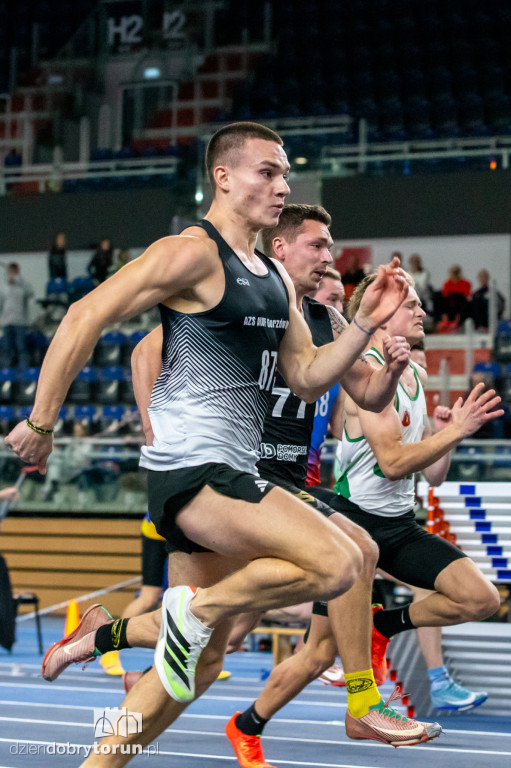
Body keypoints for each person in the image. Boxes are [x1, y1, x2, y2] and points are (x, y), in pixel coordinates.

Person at [5, 122, 409, 765]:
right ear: (223, 177)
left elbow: (306, 379)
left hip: (229, 475)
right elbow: (85, 315)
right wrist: (42, 422)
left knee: (200, 663)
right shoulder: (191, 253)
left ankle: (100, 751)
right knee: (342, 563)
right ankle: (190, 614)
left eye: (284, 175)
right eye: (267, 173)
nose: (281, 186)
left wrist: (361, 325)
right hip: (193, 472)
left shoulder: (275, 276)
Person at [227, 271, 502, 762]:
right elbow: (393, 461)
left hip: (398, 524)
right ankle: (246, 726)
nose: (421, 310)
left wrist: (451, 435)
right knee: (314, 655)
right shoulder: (368, 375)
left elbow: (431, 475)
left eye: (419, 302)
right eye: (410, 303)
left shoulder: (414, 374)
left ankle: (384, 625)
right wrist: (453, 430)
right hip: (355, 523)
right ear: (379, 317)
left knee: (480, 599)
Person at [0, 262, 33, 369]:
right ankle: (7, 373)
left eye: (14, 271)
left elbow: (30, 293)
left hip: (20, 322)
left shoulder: (23, 286)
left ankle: (23, 373)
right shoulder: (4, 287)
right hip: (7, 322)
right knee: (7, 349)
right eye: (11, 271)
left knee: (21, 348)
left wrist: (20, 281)